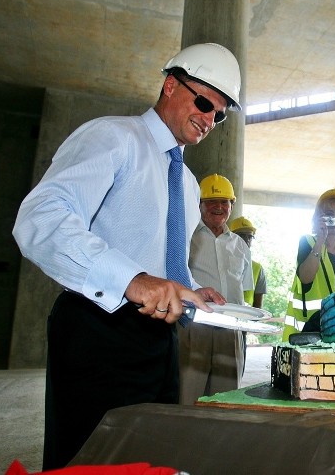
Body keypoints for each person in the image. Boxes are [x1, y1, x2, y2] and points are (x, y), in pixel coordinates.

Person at [12, 43, 240, 469]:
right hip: (97, 329)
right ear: (171, 85)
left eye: (220, 113)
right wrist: (133, 280)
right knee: (90, 458)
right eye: (205, 101)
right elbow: (39, 219)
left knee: (152, 456)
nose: (209, 119)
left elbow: (161, 262)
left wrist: (190, 291)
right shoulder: (111, 137)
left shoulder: (188, 185)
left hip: (160, 340)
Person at [179, 174, 253, 405]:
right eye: (211, 202)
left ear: (231, 205)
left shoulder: (240, 245)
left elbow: (245, 288)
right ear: (199, 205)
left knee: (227, 397)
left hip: (230, 328)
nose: (218, 207)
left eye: (224, 202)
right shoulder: (186, 237)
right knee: (189, 393)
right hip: (194, 326)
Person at [282, 188, 335, 340]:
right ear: (319, 218)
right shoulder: (308, 242)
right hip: (307, 333)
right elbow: (306, 278)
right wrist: (320, 240)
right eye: (329, 214)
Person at [229, 216, 266, 308]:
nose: (247, 240)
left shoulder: (258, 268)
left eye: (250, 236)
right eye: (241, 236)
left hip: (245, 319)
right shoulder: (221, 260)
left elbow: (258, 305)